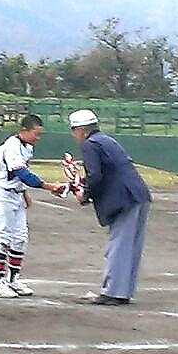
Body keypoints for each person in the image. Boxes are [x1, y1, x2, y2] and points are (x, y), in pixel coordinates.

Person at [68, 109, 152, 305]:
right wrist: (83, 184)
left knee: (119, 245)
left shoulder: (90, 144)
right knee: (131, 246)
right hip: (138, 194)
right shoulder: (107, 140)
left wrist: (84, 195)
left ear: (80, 130)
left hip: (124, 198)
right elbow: (107, 171)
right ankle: (123, 292)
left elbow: (95, 176)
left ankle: (113, 292)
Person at [0, 114, 64, 298]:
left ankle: (13, 280)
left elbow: (20, 176)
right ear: (24, 130)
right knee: (3, 239)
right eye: (36, 133)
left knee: (20, 239)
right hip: (3, 196)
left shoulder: (27, 147)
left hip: (16, 196)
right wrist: (49, 186)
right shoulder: (11, 146)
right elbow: (21, 173)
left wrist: (24, 193)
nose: (38, 138)